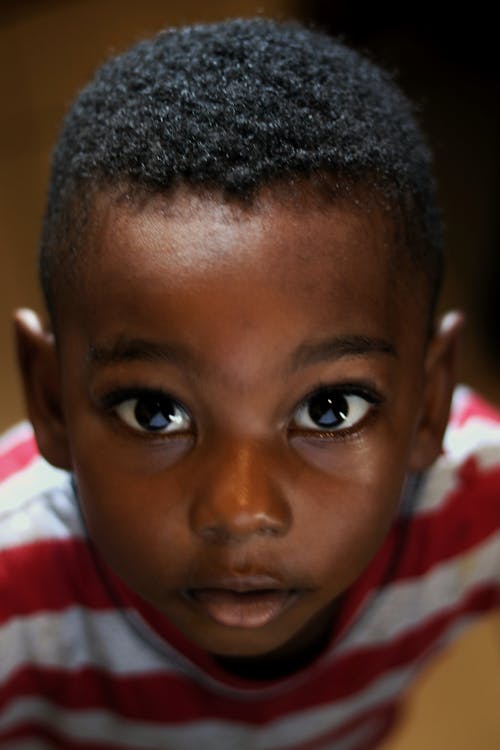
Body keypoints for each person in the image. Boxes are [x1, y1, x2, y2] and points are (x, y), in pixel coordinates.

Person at [1, 17, 499, 750]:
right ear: (50, 399)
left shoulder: (471, 500)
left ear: (429, 402)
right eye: (154, 412)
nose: (239, 511)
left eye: (330, 410)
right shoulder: (15, 586)